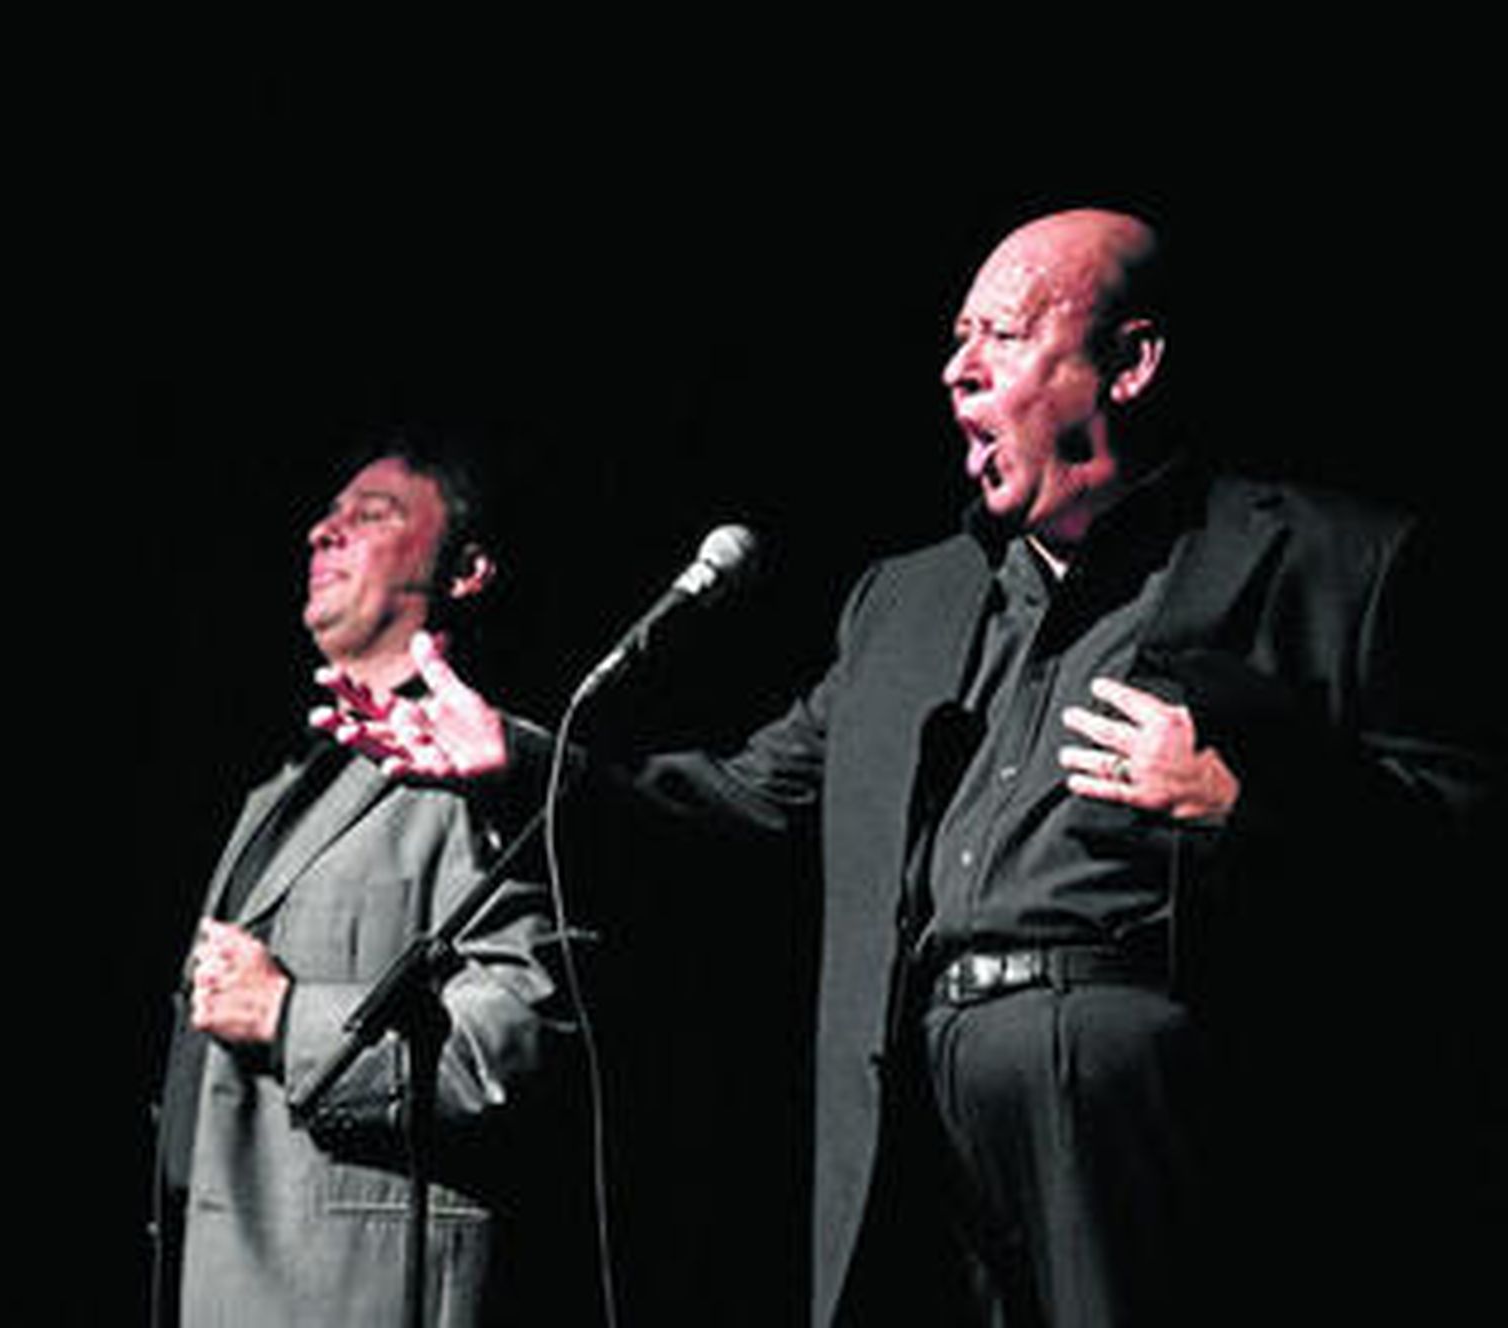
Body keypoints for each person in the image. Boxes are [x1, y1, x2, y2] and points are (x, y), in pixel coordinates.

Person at [318, 212, 1497, 1325]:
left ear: (1130, 363)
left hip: (1154, 1126)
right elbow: (741, 801)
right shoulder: (907, 604)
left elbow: (1460, 856)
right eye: (953, 339)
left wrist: (1250, 804)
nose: (955, 370)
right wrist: (524, 762)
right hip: (916, 1129)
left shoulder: (1333, 563)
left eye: (1003, 335)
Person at [152, 436, 595, 1327]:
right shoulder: (275, 794)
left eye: (372, 515)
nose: (323, 533)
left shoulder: (479, 774)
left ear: (465, 570)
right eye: (327, 515)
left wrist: (288, 1018)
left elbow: (515, 1047)